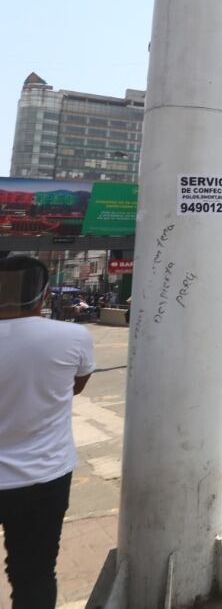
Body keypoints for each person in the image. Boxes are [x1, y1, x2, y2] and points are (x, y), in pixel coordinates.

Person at [0, 256, 94, 609]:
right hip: (45, 477)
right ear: (44, 293)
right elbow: (75, 387)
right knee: (35, 573)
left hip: (42, 476)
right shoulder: (73, 336)